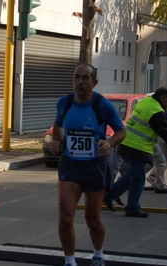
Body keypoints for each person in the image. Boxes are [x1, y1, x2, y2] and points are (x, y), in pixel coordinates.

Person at [49, 64, 126, 266]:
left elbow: (121, 131)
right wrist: (56, 141)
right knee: (65, 217)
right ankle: (70, 261)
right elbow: (57, 125)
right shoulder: (64, 103)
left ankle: (99, 254)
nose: (80, 82)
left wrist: (109, 143)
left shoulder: (102, 105)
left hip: (95, 166)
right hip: (70, 165)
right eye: (76, 78)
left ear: (94, 82)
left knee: (92, 218)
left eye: (85, 78)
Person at [104, 86, 167, 218]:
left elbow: (156, 122)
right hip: (135, 147)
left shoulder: (146, 102)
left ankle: (108, 196)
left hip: (127, 143)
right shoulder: (155, 110)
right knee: (138, 179)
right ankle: (132, 207)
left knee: (132, 176)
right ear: (162, 98)